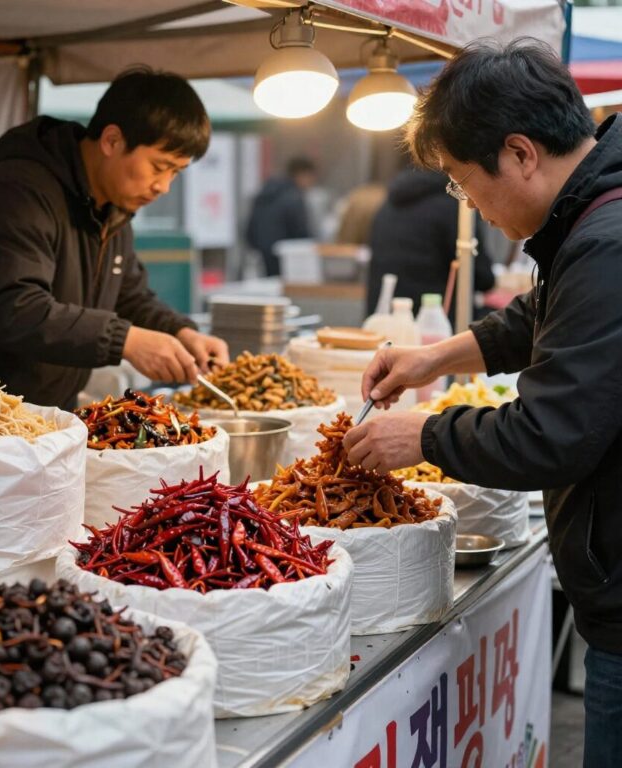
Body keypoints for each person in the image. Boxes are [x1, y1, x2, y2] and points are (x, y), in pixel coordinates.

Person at [342, 39, 622, 767]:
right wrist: (435, 356)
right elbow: (543, 318)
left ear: (521, 154)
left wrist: (426, 436)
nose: (470, 205)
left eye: (467, 183)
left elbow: (549, 436)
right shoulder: (593, 213)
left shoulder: (608, 240)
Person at [0, 67, 228, 409]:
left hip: (41, 418)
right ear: (111, 140)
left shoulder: (112, 210)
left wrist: (181, 332)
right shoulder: (15, 194)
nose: (164, 186)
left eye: (175, 173)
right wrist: (126, 341)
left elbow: (129, 298)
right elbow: (16, 310)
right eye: (158, 166)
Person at [365, 167, 495, 318]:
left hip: (384, 317)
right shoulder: (455, 207)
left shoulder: (387, 206)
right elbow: (483, 277)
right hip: (436, 322)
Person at [246, 156, 317, 277]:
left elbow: (250, 228)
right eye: (310, 177)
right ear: (301, 174)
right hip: (286, 261)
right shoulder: (293, 197)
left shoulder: (266, 191)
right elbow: (301, 233)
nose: (311, 182)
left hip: (263, 257)